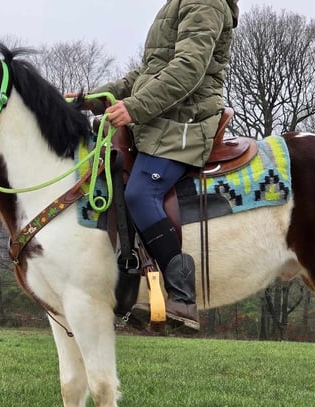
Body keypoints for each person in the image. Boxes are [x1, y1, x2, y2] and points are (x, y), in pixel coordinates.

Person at [87, 0, 239, 333]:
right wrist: (90, 100)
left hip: (184, 123)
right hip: (161, 121)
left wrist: (135, 108)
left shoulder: (205, 2)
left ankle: (182, 297)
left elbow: (188, 68)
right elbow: (144, 76)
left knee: (141, 193)